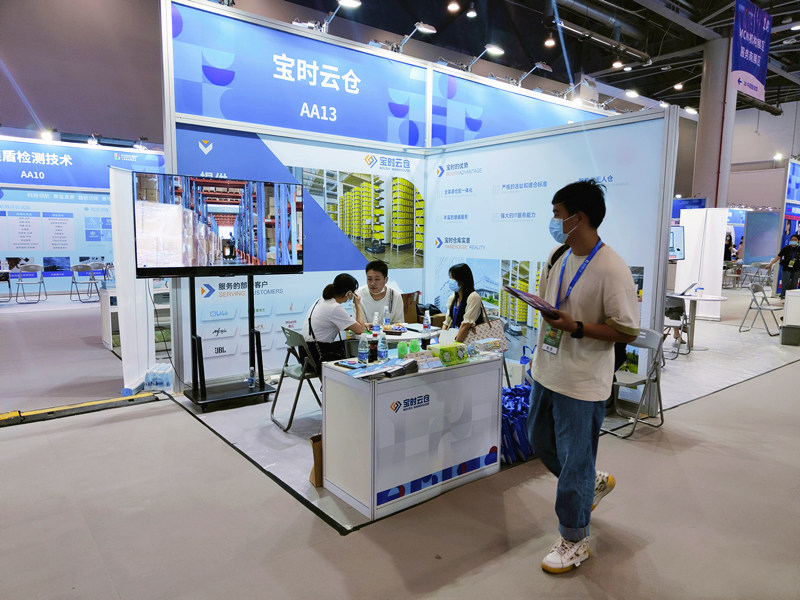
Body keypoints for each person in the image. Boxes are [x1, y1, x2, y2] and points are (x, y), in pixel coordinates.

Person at [526, 179, 639, 574]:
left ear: (579, 218)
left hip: (582, 382)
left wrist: (576, 327)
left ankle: (574, 539)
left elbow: (627, 331)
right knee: (538, 440)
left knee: (575, 461)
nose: (554, 221)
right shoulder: (558, 254)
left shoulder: (612, 268)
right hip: (546, 369)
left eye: (558, 214)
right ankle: (588, 483)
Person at [302, 273, 367, 363]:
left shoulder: (320, 300)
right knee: (355, 345)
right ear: (349, 293)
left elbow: (345, 324)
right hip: (318, 356)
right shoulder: (334, 307)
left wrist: (363, 325)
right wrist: (358, 305)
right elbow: (360, 330)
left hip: (305, 353)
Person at [441, 263, 485, 343]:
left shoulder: (473, 297)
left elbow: (466, 326)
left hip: (469, 342)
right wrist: (441, 340)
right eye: (450, 277)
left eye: (452, 278)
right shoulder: (453, 297)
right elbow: (447, 322)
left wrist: (454, 346)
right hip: (455, 339)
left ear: (462, 280)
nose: (450, 281)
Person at [357, 260, 405, 325]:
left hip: (390, 331)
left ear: (386, 280)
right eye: (369, 279)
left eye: (377, 279)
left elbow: (399, 324)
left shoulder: (395, 296)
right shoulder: (358, 296)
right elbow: (360, 325)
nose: (372, 283)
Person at [766, 234, 800, 300]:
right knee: (785, 283)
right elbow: (778, 257)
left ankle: (791, 298)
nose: (793, 241)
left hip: (796, 269)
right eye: (792, 239)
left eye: (795, 240)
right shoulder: (786, 249)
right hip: (786, 268)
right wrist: (770, 264)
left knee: (794, 284)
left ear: (798, 241)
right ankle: (783, 296)